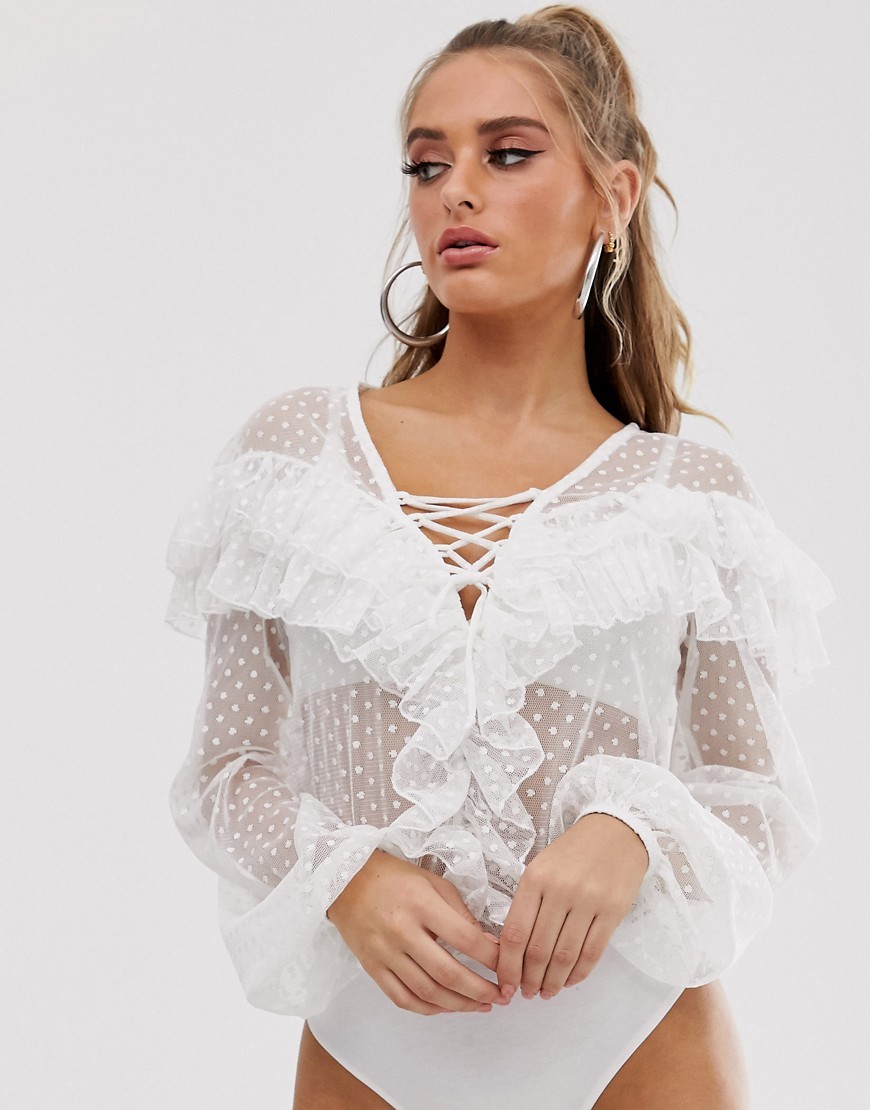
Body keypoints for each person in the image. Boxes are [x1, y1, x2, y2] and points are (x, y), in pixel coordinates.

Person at [163, 7, 835, 1109]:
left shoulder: (687, 499)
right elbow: (226, 769)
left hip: (639, 1039)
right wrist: (347, 878)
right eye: (428, 164)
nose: (456, 193)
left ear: (613, 196)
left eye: (507, 154)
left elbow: (758, 797)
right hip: (373, 1047)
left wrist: (633, 832)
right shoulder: (296, 460)